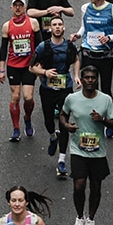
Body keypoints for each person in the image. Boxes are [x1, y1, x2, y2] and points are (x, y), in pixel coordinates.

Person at [58, 64, 113, 225]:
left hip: (98, 151)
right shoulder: (72, 98)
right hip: (78, 149)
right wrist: (66, 125)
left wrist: (103, 119)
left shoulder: (105, 99)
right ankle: (79, 218)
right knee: (79, 185)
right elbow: (63, 114)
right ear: (81, 80)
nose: (90, 81)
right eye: (87, 78)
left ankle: (91, 220)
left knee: (96, 186)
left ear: (97, 79)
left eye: (93, 77)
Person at [31, 14, 79, 176]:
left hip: (65, 88)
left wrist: (76, 74)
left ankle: (62, 160)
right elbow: (32, 67)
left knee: (64, 122)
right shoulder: (43, 47)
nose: (57, 27)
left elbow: (76, 60)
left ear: (63, 27)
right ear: (50, 28)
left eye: (60, 24)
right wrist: (45, 72)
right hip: (47, 89)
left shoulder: (70, 46)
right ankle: (52, 136)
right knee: (48, 120)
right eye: (54, 25)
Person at [73, 0, 113, 99]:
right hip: (88, 53)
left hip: (105, 56)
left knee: (106, 90)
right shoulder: (85, 8)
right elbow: (83, 27)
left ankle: (108, 115)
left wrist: (108, 38)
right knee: (89, 88)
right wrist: (77, 35)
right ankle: (90, 114)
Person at [1, 0, 40, 141]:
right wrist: (1, 69)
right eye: (15, 5)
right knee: (15, 97)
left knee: (28, 98)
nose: (18, 8)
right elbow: (3, 49)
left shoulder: (33, 23)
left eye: (20, 5)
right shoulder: (7, 26)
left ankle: (27, 118)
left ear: (25, 8)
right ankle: (16, 128)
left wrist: (39, 64)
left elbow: (39, 44)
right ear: (12, 8)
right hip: (13, 66)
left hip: (29, 66)